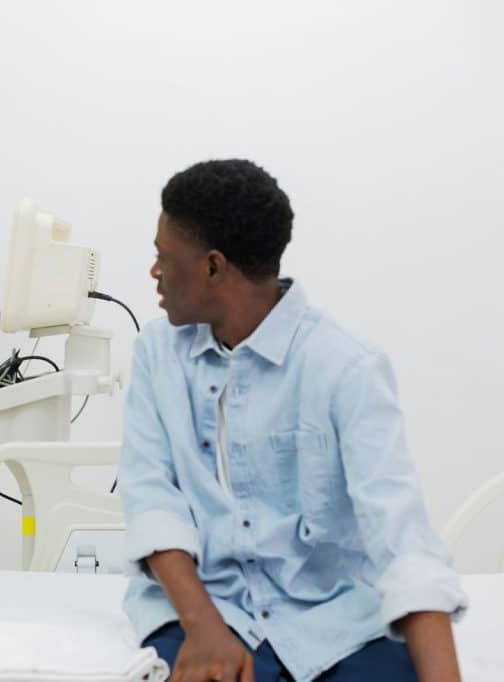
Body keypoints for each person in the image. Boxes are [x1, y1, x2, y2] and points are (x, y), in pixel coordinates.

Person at [119, 159, 467, 681]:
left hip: (332, 621)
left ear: (213, 267)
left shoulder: (346, 368)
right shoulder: (156, 354)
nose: (154, 272)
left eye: (163, 257)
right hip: (202, 606)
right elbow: (153, 499)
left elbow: (402, 537)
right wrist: (204, 627)